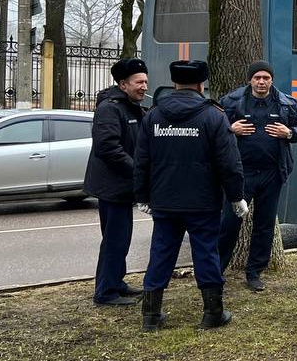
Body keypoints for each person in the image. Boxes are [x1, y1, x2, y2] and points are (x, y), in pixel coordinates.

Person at [134, 59, 247, 332]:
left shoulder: (154, 116)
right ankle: (212, 313)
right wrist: (236, 197)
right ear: (200, 85)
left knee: (160, 253)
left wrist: (142, 196)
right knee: (206, 253)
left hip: (164, 201)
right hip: (202, 201)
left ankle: (151, 315)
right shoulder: (214, 116)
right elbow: (229, 164)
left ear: (175, 84)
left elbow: (141, 161)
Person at [218, 61, 297, 292]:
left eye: (266, 78)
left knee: (264, 225)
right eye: (257, 77)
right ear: (250, 79)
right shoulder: (231, 101)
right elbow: (214, 130)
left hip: (272, 173)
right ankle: (216, 271)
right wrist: (230, 129)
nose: (261, 81)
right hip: (241, 175)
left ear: (271, 80)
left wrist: (289, 133)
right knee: (229, 224)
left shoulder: (286, 103)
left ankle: (254, 273)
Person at [84, 58, 150, 306]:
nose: (144, 86)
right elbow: (108, 148)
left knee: (120, 239)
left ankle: (116, 282)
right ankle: (106, 292)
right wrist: (138, 172)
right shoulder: (110, 109)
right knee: (115, 239)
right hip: (112, 187)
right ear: (123, 84)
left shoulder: (131, 106)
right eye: (138, 82)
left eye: (145, 81)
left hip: (122, 187)